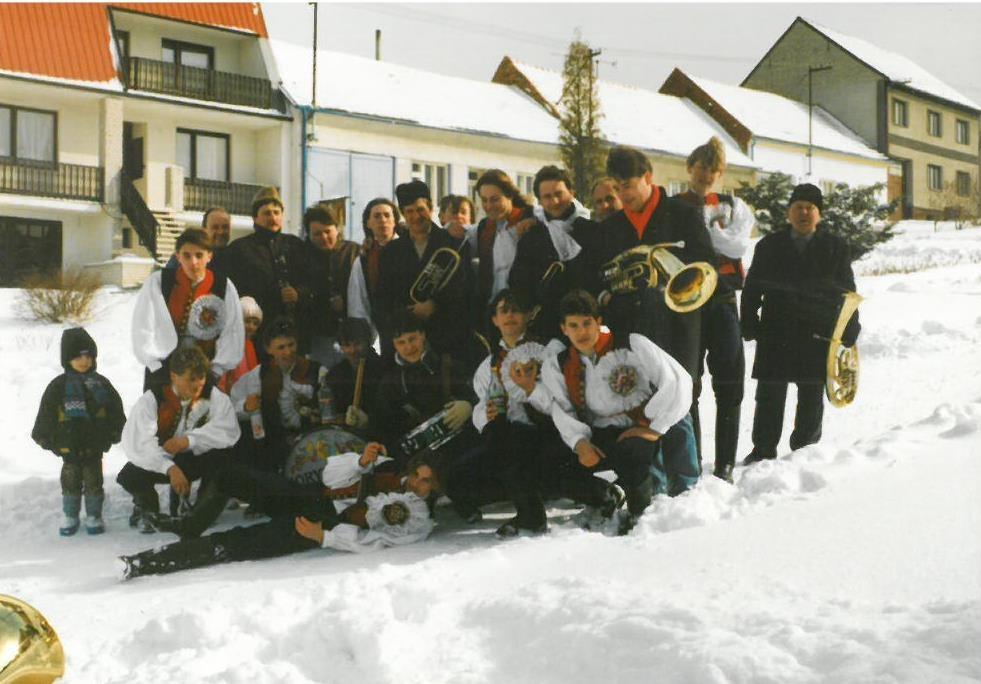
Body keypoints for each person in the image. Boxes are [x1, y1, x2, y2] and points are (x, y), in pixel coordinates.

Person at [446, 290, 622, 536]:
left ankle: (543, 512)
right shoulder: (488, 366)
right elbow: (480, 408)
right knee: (460, 474)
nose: (510, 315)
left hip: (553, 434)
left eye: (516, 310)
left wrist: (531, 389)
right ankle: (542, 498)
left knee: (514, 449)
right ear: (495, 319)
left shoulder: (551, 351)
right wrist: (486, 414)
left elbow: (563, 403)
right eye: (503, 310)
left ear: (529, 315)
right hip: (512, 442)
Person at [118, 444, 437, 579]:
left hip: (322, 523)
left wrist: (324, 537)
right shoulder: (387, 467)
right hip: (311, 497)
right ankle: (191, 525)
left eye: (427, 482)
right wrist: (361, 462)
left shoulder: (417, 518)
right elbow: (330, 476)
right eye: (419, 476)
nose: (418, 485)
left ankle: (144, 563)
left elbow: (373, 541)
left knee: (238, 542)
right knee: (232, 475)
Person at [541, 290, 696, 535]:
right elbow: (562, 409)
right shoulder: (559, 364)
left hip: (639, 428)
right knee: (554, 467)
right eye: (574, 326)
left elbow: (677, 380)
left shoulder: (631, 344)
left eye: (587, 323)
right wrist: (580, 442)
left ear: (598, 321)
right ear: (564, 329)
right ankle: (605, 496)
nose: (582, 332)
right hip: (599, 433)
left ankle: (640, 515)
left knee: (632, 454)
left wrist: (653, 429)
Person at [741, 183, 860, 464]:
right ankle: (763, 450)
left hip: (816, 332)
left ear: (819, 214)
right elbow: (752, 288)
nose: (804, 213)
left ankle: (805, 451)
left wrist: (850, 326)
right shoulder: (769, 246)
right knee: (769, 395)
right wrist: (748, 321)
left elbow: (848, 291)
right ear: (789, 212)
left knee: (811, 395)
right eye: (798, 207)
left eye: (810, 208)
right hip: (776, 330)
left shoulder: (835, 247)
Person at [674, 137, 755, 482]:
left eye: (714, 169)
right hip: (686, 302)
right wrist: (713, 236)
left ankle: (725, 463)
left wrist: (706, 236)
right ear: (690, 168)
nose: (706, 175)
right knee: (688, 384)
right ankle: (693, 459)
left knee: (729, 381)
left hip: (722, 299)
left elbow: (736, 247)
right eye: (701, 167)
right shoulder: (674, 205)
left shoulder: (733, 205)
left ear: (721, 174)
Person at [600, 145, 717, 380]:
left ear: (648, 177)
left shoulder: (684, 214)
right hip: (630, 327)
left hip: (677, 327)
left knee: (681, 394)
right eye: (617, 188)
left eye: (628, 186)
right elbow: (602, 275)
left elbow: (705, 262)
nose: (623, 195)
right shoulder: (611, 227)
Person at [116, 346, 240, 533]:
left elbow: (228, 430)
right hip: (161, 459)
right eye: (191, 378)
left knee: (223, 457)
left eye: (201, 377)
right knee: (130, 476)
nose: (198, 384)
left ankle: (201, 509)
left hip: (193, 459)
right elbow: (139, 443)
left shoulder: (214, 397)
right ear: (174, 376)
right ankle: (148, 509)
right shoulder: (153, 399)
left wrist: (189, 441)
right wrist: (169, 468)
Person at [32, 328, 125, 536]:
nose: (84, 361)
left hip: (94, 446)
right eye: (78, 357)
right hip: (68, 447)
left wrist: (114, 432)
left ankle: (94, 515)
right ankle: (70, 515)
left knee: (94, 482)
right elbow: (46, 414)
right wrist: (48, 438)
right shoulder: (58, 387)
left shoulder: (101, 385)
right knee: (70, 482)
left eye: (88, 356)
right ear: (67, 359)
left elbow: (115, 411)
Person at [132, 227, 244, 391]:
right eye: (186, 255)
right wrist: (155, 364)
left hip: (205, 371)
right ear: (177, 256)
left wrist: (217, 369)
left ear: (209, 256)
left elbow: (232, 330)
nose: (193, 262)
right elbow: (143, 325)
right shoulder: (159, 282)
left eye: (199, 255)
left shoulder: (223, 286)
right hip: (163, 368)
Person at [374, 310, 476, 476]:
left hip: (458, 454)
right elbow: (384, 426)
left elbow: (482, 397)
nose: (408, 347)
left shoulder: (450, 366)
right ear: (394, 345)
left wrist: (470, 404)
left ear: (423, 335)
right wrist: (366, 421)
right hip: (414, 463)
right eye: (401, 342)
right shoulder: (389, 383)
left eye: (412, 339)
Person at [376, 180, 469, 359]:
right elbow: (383, 298)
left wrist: (436, 305)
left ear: (431, 209)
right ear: (403, 214)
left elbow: (465, 290)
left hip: (446, 338)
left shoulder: (455, 243)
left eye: (420, 209)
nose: (416, 216)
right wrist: (408, 315)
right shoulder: (391, 251)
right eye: (409, 211)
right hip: (406, 343)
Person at [509, 165, 604, 338]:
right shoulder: (531, 238)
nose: (554, 201)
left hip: (590, 323)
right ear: (539, 201)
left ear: (571, 193)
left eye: (559, 194)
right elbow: (519, 284)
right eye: (547, 197)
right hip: (548, 326)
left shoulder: (592, 231)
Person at [229, 316, 325, 474]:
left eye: (291, 345)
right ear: (269, 349)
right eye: (281, 347)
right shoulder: (257, 375)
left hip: (313, 449)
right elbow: (231, 410)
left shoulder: (317, 371)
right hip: (273, 450)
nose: (288, 352)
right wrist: (245, 407)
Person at [223, 186, 313, 350]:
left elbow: (311, 281)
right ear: (255, 217)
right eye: (267, 213)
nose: (273, 217)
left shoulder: (296, 245)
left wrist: (298, 294)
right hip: (258, 332)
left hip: (295, 330)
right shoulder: (240, 249)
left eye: (276, 212)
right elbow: (233, 291)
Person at [304, 203, 361, 368]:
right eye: (317, 234)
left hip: (352, 333)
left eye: (328, 231)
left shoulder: (354, 251)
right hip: (319, 332)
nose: (324, 237)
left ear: (337, 229)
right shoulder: (303, 256)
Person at [472, 170, 535, 313]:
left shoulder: (531, 220)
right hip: (494, 309)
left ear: (510, 195)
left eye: (495, 199)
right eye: (484, 200)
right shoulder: (483, 227)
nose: (489, 206)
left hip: (523, 308)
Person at [347, 198, 402, 348]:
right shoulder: (363, 260)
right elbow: (358, 301)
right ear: (368, 223)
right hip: (382, 331)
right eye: (377, 216)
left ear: (395, 221)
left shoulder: (409, 250)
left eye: (387, 215)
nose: (382, 220)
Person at [323, 317, 386, 437]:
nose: (352, 351)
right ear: (341, 346)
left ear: (368, 342)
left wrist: (368, 420)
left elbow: (389, 414)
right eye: (347, 345)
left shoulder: (384, 369)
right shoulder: (334, 374)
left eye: (357, 344)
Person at [217, 296, 262, 395]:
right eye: (247, 321)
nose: (251, 326)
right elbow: (222, 378)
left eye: (255, 323)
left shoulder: (250, 346)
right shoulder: (228, 344)